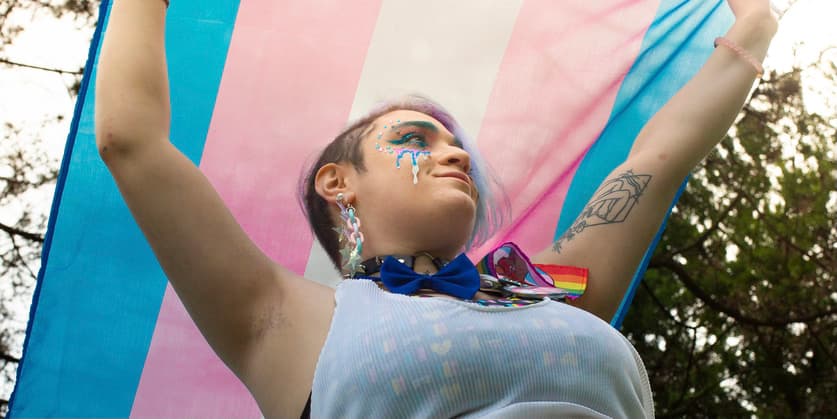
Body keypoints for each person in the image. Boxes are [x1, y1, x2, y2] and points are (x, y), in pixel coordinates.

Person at [94, 0, 777, 417]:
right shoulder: (284, 320)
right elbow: (133, 142)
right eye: (413, 139)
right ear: (338, 182)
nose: (454, 154)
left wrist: (755, 23)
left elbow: (651, 163)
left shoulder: (548, 290)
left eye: (458, 145)